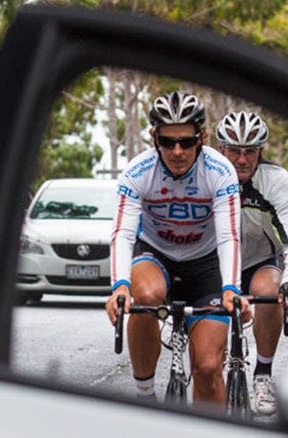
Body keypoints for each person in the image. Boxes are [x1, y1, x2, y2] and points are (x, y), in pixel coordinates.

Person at [105, 91, 251, 406]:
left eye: (186, 142)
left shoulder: (219, 170)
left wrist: (231, 288)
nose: (177, 151)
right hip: (156, 255)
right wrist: (119, 285)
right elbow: (122, 232)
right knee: (143, 296)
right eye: (167, 142)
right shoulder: (138, 171)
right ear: (154, 138)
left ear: (201, 138)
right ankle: (146, 398)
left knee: (209, 367)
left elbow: (229, 235)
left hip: (206, 264)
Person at [216, 111, 288, 415]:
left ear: (261, 151)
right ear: (221, 149)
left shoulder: (277, 183)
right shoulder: (204, 177)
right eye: (234, 151)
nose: (241, 160)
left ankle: (263, 375)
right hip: (214, 264)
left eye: (250, 151)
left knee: (270, 290)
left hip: (259, 260)